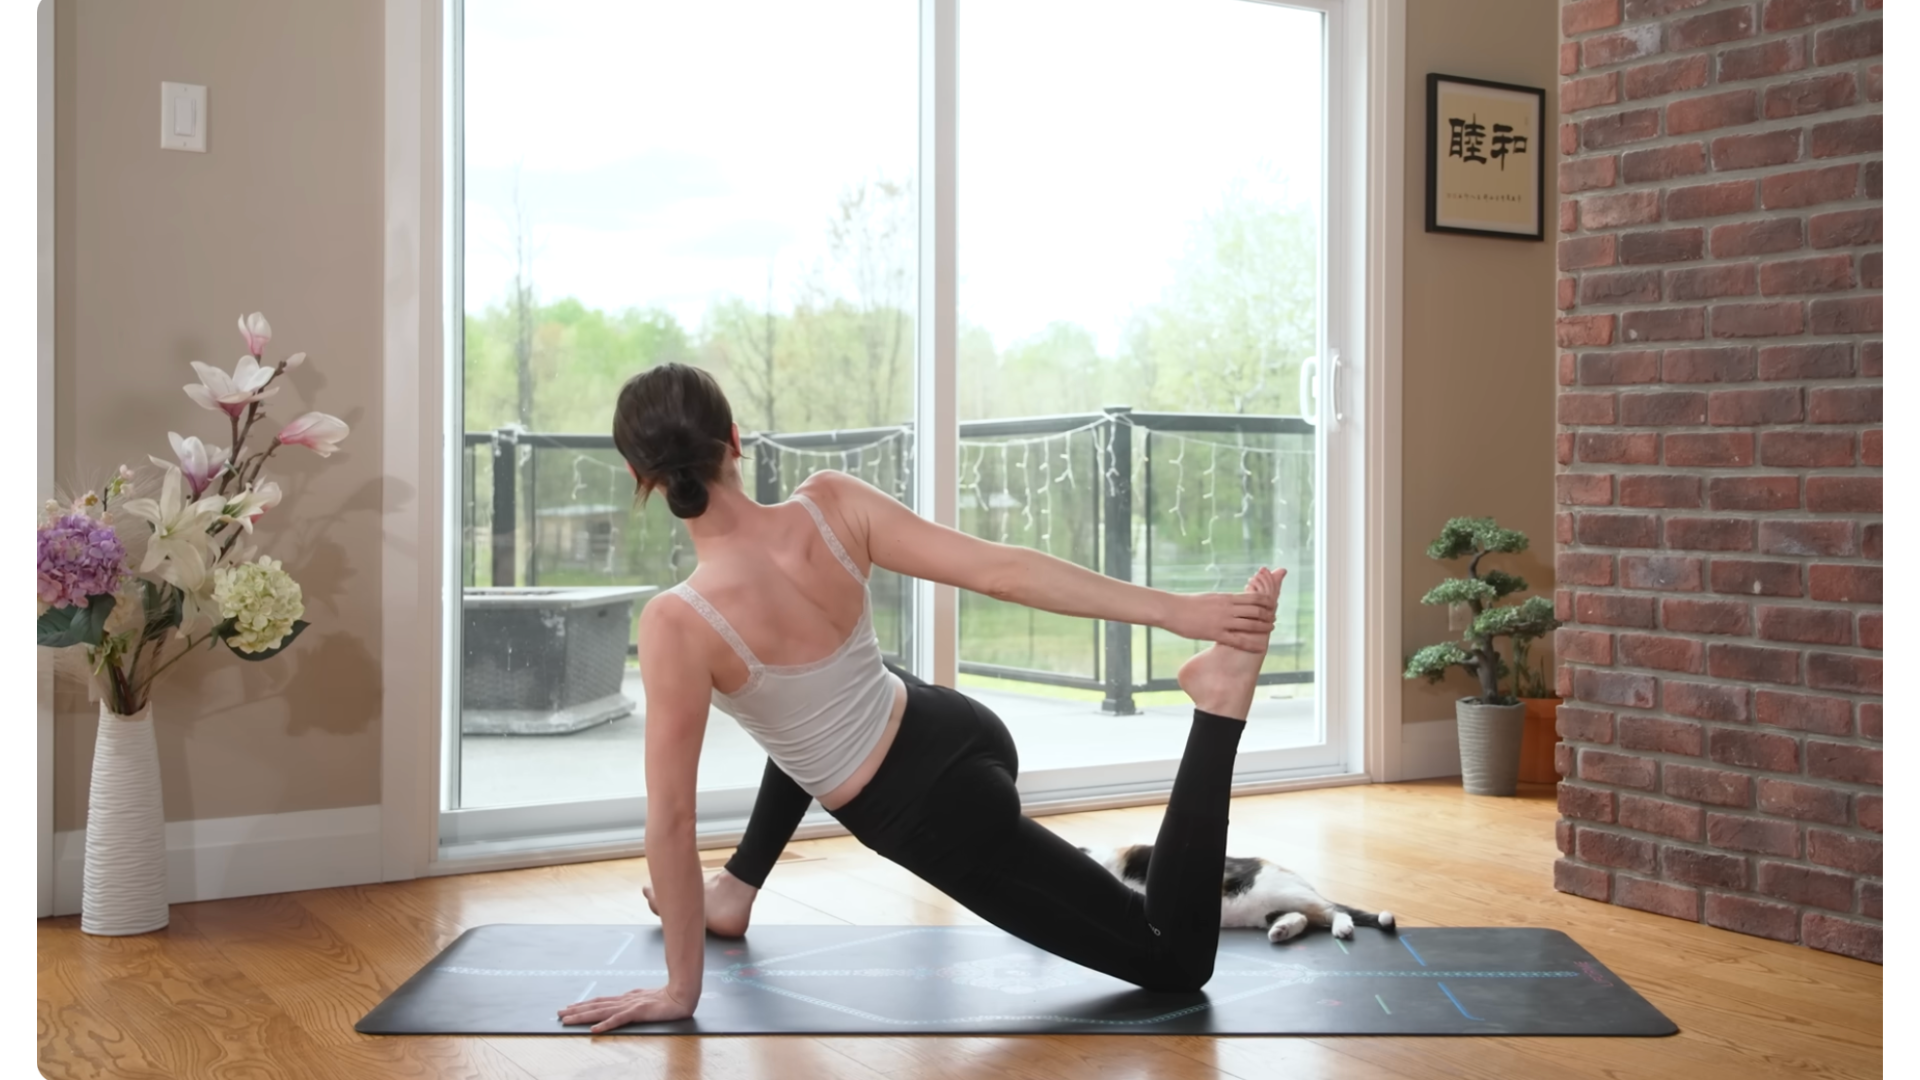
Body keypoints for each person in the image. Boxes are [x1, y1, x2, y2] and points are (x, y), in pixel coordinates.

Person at [560, 364, 1282, 1033]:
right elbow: (1003, 572)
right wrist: (1173, 610)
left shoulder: (678, 623)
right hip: (957, 725)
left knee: (1173, 960)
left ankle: (1217, 701)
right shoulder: (832, 502)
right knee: (806, 703)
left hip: (942, 816)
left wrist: (679, 991)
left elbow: (673, 819)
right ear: (736, 441)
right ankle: (736, 890)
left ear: (639, 475)